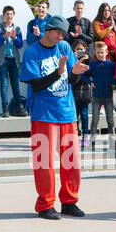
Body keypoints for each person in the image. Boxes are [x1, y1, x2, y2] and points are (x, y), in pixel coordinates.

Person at [21, 14, 90, 219]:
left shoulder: (64, 48)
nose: (61, 37)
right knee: (44, 162)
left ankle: (69, 202)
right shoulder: (32, 52)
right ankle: (45, 204)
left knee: (71, 161)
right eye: (58, 33)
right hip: (43, 114)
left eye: (63, 34)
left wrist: (75, 73)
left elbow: (70, 81)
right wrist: (59, 72)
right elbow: (36, 85)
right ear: (47, 30)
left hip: (67, 112)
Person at [0, 5, 26, 117]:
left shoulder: (17, 29)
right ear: (4, 15)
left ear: (13, 15)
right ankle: (5, 108)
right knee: (4, 85)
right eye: (7, 14)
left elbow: (20, 45)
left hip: (14, 60)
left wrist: (15, 38)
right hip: (3, 61)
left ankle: (19, 107)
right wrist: (4, 37)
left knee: (15, 84)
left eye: (11, 14)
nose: (9, 16)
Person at [85, 37, 116, 150]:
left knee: (110, 121)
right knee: (95, 120)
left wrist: (114, 83)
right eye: (98, 53)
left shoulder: (112, 65)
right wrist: (90, 82)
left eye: (102, 52)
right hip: (96, 97)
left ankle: (112, 142)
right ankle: (92, 143)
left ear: (107, 52)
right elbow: (83, 75)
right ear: (95, 53)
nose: (100, 54)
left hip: (108, 96)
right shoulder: (93, 65)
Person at [70, 40, 92, 142]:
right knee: (74, 116)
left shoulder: (88, 60)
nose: (79, 51)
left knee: (84, 115)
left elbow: (91, 71)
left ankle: (86, 135)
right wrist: (74, 58)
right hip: (74, 93)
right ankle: (74, 134)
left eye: (81, 49)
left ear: (86, 50)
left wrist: (87, 59)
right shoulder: (72, 60)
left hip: (85, 92)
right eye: (77, 49)